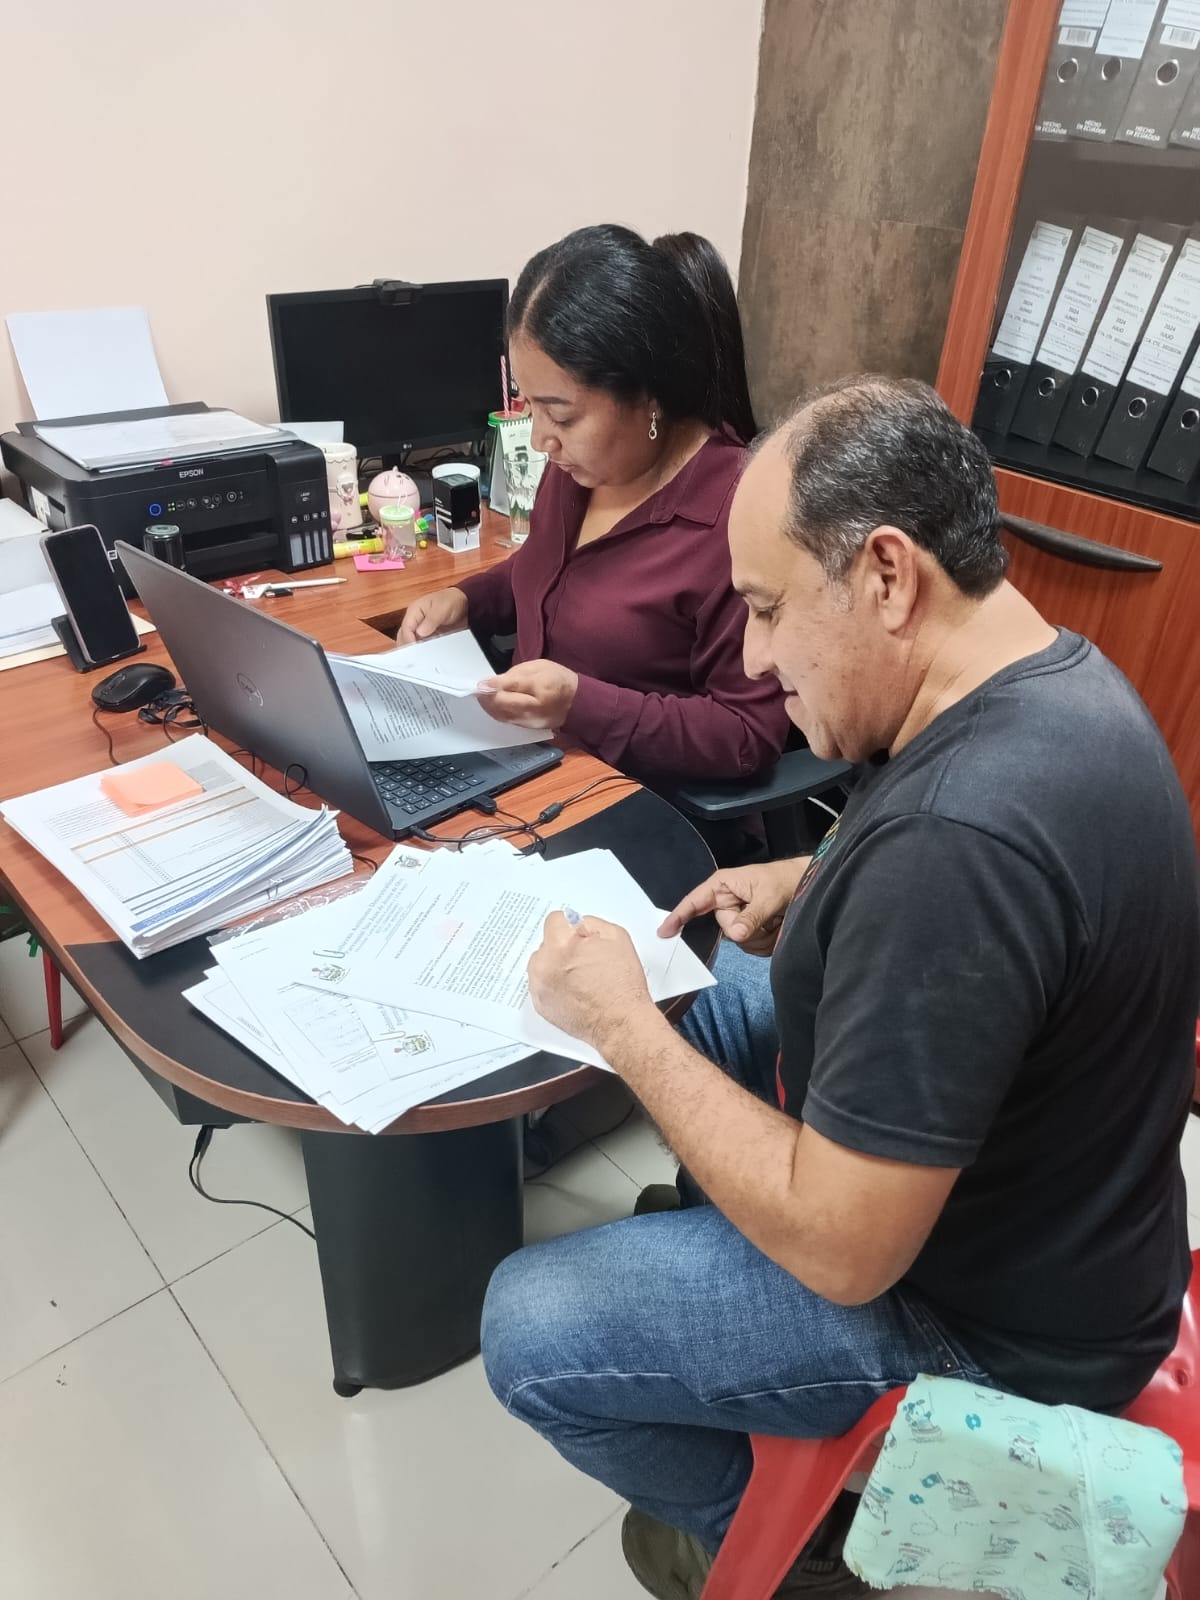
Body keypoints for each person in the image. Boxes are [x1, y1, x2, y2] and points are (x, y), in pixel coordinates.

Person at [480, 376, 1200, 1598]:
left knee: (529, 1324)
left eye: (766, 609)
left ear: (886, 575)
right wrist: (816, 878)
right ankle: (715, 1240)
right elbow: (997, 895)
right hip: (1080, 1218)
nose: (754, 656)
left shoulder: (958, 849)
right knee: (706, 989)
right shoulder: (1049, 681)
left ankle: (778, 1545)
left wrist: (622, 1028)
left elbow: (844, 1250)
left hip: (990, 1325)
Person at [398, 225, 789, 785]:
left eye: (561, 415)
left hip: (634, 798)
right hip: (525, 766)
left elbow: (746, 736)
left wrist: (580, 704)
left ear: (649, 396)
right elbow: (549, 571)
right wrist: (467, 599)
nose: (541, 439)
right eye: (530, 406)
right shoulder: (579, 469)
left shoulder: (736, 516)